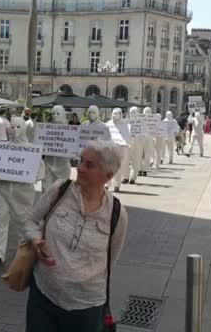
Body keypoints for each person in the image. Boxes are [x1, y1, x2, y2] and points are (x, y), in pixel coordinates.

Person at [24, 141, 128, 332]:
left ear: (108, 176)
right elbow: (31, 221)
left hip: (87, 307)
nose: (79, 168)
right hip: (44, 295)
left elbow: (109, 261)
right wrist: (36, 241)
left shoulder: (116, 213)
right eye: (80, 161)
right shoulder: (60, 190)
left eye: (89, 165)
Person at [0, 117, 43, 269]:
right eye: (12, 127)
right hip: (3, 188)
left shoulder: (31, 150)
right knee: (0, 218)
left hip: (22, 192)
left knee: (23, 221)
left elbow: (40, 171)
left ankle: (23, 251)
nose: (14, 130)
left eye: (18, 127)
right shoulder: (2, 148)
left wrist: (28, 175)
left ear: (24, 128)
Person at [43, 105, 72, 192]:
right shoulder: (46, 129)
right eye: (53, 114)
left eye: (58, 113)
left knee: (61, 192)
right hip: (48, 164)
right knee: (46, 190)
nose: (55, 116)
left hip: (63, 166)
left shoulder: (70, 131)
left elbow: (71, 149)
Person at [106, 108, 131, 191]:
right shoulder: (108, 124)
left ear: (120, 115)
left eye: (117, 114)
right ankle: (107, 184)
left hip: (119, 149)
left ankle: (117, 185)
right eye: (114, 113)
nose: (115, 115)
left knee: (117, 168)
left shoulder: (125, 125)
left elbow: (127, 138)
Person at [127, 107, 143, 184]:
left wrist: (140, 136)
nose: (132, 114)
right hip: (128, 144)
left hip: (137, 144)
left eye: (134, 112)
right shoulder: (126, 122)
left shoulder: (141, 122)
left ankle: (133, 177)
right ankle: (125, 177)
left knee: (135, 161)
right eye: (131, 112)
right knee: (126, 161)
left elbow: (145, 133)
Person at [141, 107, 155, 175]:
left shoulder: (153, 120)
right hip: (141, 139)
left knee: (147, 155)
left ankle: (145, 169)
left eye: (148, 112)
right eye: (146, 111)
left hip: (149, 139)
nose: (147, 113)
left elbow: (156, 129)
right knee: (140, 155)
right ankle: (140, 169)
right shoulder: (140, 119)